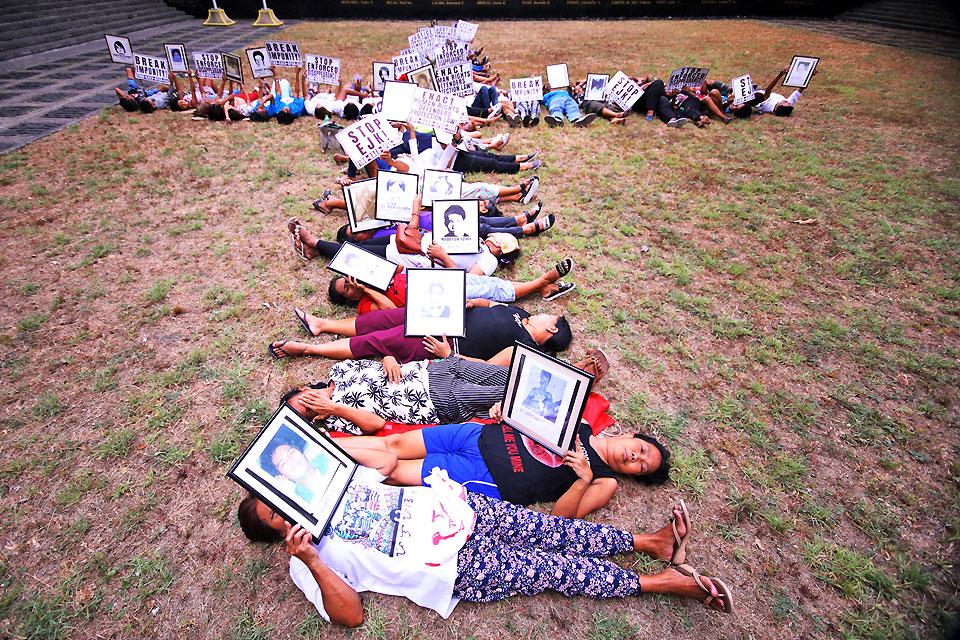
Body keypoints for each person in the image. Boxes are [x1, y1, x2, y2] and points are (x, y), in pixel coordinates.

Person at [236, 471, 732, 628]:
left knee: (551, 531)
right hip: (449, 562)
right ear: (278, 535)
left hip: (458, 507)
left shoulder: (332, 481)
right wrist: (314, 560)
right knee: (548, 568)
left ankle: (651, 542)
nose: (287, 509)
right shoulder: (306, 562)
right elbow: (351, 617)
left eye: (279, 498)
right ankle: (657, 582)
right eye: (276, 515)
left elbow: (386, 464)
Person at [279, 346, 607, 435]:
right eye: (309, 410)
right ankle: (574, 386)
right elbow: (376, 425)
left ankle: (570, 379)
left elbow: (375, 358)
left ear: (305, 387)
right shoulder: (338, 421)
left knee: (502, 374)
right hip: (435, 401)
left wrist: (388, 356)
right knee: (508, 393)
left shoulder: (339, 369)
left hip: (435, 368)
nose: (313, 402)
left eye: (305, 398)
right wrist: (334, 408)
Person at [268, 303, 572, 366]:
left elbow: (488, 368)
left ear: (552, 328)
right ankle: (323, 325)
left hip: (443, 341)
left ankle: (308, 349)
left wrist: (449, 356)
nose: (544, 312)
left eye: (550, 315)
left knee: (378, 342)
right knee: (380, 319)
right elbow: (489, 305)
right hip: (444, 314)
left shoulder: (527, 348)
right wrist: (469, 301)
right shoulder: (520, 313)